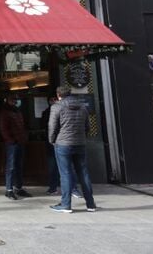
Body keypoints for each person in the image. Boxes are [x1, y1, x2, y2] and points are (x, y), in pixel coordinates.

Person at [48, 85, 97, 213]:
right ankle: (90, 204)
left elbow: (52, 126)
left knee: (65, 174)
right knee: (83, 173)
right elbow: (87, 126)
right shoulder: (83, 107)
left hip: (63, 144)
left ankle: (66, 205)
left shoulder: (57, 106)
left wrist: (52, 140)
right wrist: (81, 138)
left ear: (59, 95)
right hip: (80, 144)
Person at [41, 97, 83, 197]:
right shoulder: (77, 108)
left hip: (60, 142)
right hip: (67, 142)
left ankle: (55, 188)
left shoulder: (53, 110)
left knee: (61, 167)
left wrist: (51, 140)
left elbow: (50, 127)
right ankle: (72, 189)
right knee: (67, 167)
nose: (54, 101)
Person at [0, 94, 31, 200]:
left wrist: (24, 137)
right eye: (12, 100)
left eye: (15, 100)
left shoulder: (17, 111)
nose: (14, 102)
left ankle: (18, 187)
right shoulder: (5, 112)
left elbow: (22, 126)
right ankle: (9, 189)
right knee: (11, 166)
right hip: (12, 143)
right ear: (7, 100)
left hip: (20, 141)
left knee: (19, 165)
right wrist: (11, 140)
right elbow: (3, 128)